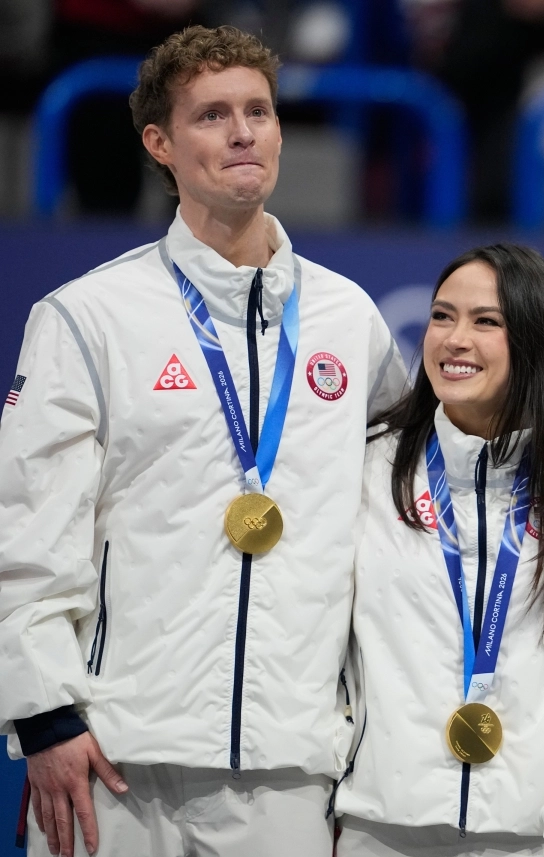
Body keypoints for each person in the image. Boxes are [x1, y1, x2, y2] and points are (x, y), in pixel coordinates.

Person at [0, 25, 406, 857]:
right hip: (117, 758)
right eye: (213, 115)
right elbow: (25, 531)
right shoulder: (88, 318)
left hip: (289, 763)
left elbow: (401, 523)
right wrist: (44, 719)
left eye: (259, 110)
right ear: (160, 144)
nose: (244, 131)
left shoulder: (349, 321)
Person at [334, 244, 544, 856]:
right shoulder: (367, 468)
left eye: (486, 321)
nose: (454, 339)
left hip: (535, 828)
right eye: (441, 316)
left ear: (535, 341)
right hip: (384, 824)